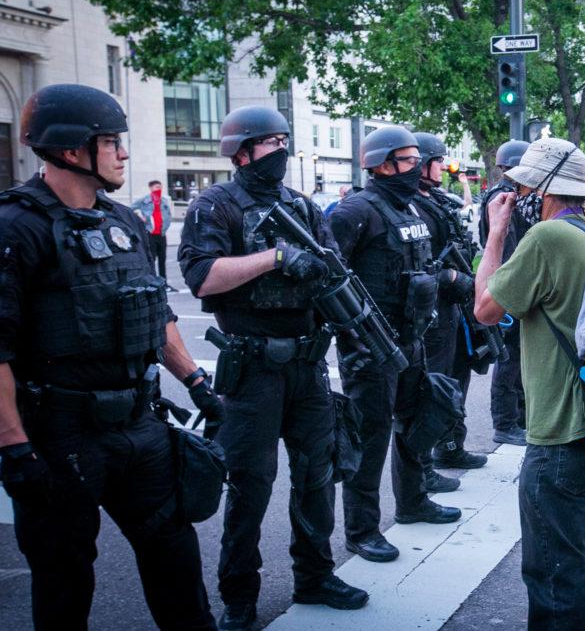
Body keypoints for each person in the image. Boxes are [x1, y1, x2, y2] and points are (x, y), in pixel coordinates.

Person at [0, 84, 221, 630]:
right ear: (72, 150)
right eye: (111, 142)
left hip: (140, 427)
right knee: (64, 582)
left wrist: (197, 384)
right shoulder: (15, 227)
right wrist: (15, 448)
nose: (123, 153)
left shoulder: (121, 222)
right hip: (60, 436)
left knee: (177, 561)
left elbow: (157, 317)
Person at [178, 105, 367, 629]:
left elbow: (334, 273)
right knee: (250, 486)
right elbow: (201, 277)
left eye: (286, 141)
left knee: (316, 477)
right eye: (270, 143)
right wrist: (275, 259)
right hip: (252, 369)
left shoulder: (301, 206)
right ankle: (239, 596)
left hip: (306, 366)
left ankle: (315, 575)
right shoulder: (215, 206)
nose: (281, 151)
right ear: (240, 153)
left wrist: (356, 327)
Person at [473, 137, 585, 629]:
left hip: (559, 426)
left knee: (553, 570)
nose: (518, 193)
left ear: (540, 189)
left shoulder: (548, 239)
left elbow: (486, 309)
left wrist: (496, 234)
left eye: (523, 186)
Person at [329, 126, 461, 566]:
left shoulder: (409, 209)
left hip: (412, 336)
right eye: (407, 160)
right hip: (370, 347)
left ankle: (413, 500)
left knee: (414, 422)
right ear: (382, 164)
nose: (416, 168)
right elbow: (329, 278)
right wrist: (351, 337)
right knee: (371, 439)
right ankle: (362, 530)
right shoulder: (355, 212)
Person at [410, 131, 487, 487]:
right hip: (432, 309)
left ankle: (452, 443)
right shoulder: (409, 204)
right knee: (434, 385)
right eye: (438, 160)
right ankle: (423, 465)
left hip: (455, 306)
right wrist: (450, 276)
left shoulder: (437, 200)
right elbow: (413, 264)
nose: (444, 167)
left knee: (459, 377)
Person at [479, 139, 531, 446]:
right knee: (509, 359)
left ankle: (519, 418)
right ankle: (505, 422)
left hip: (510, 282)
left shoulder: (509, 194)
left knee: (517, 358)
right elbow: (509, 248)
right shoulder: (504, 198)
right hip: (508, 284)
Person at [132, 179, 175, 288]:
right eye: (156, 187)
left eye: (160, 187)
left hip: (161, 234)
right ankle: (153, 282)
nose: (159, 189)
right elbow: (130, 208)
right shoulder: (145, 200)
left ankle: (164, 282)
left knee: (162, 259)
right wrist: (140, 217)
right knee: (152, 259)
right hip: (150, 234)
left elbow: (168, 214)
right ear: (151, 188)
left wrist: (166, 226)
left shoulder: (164, 200)